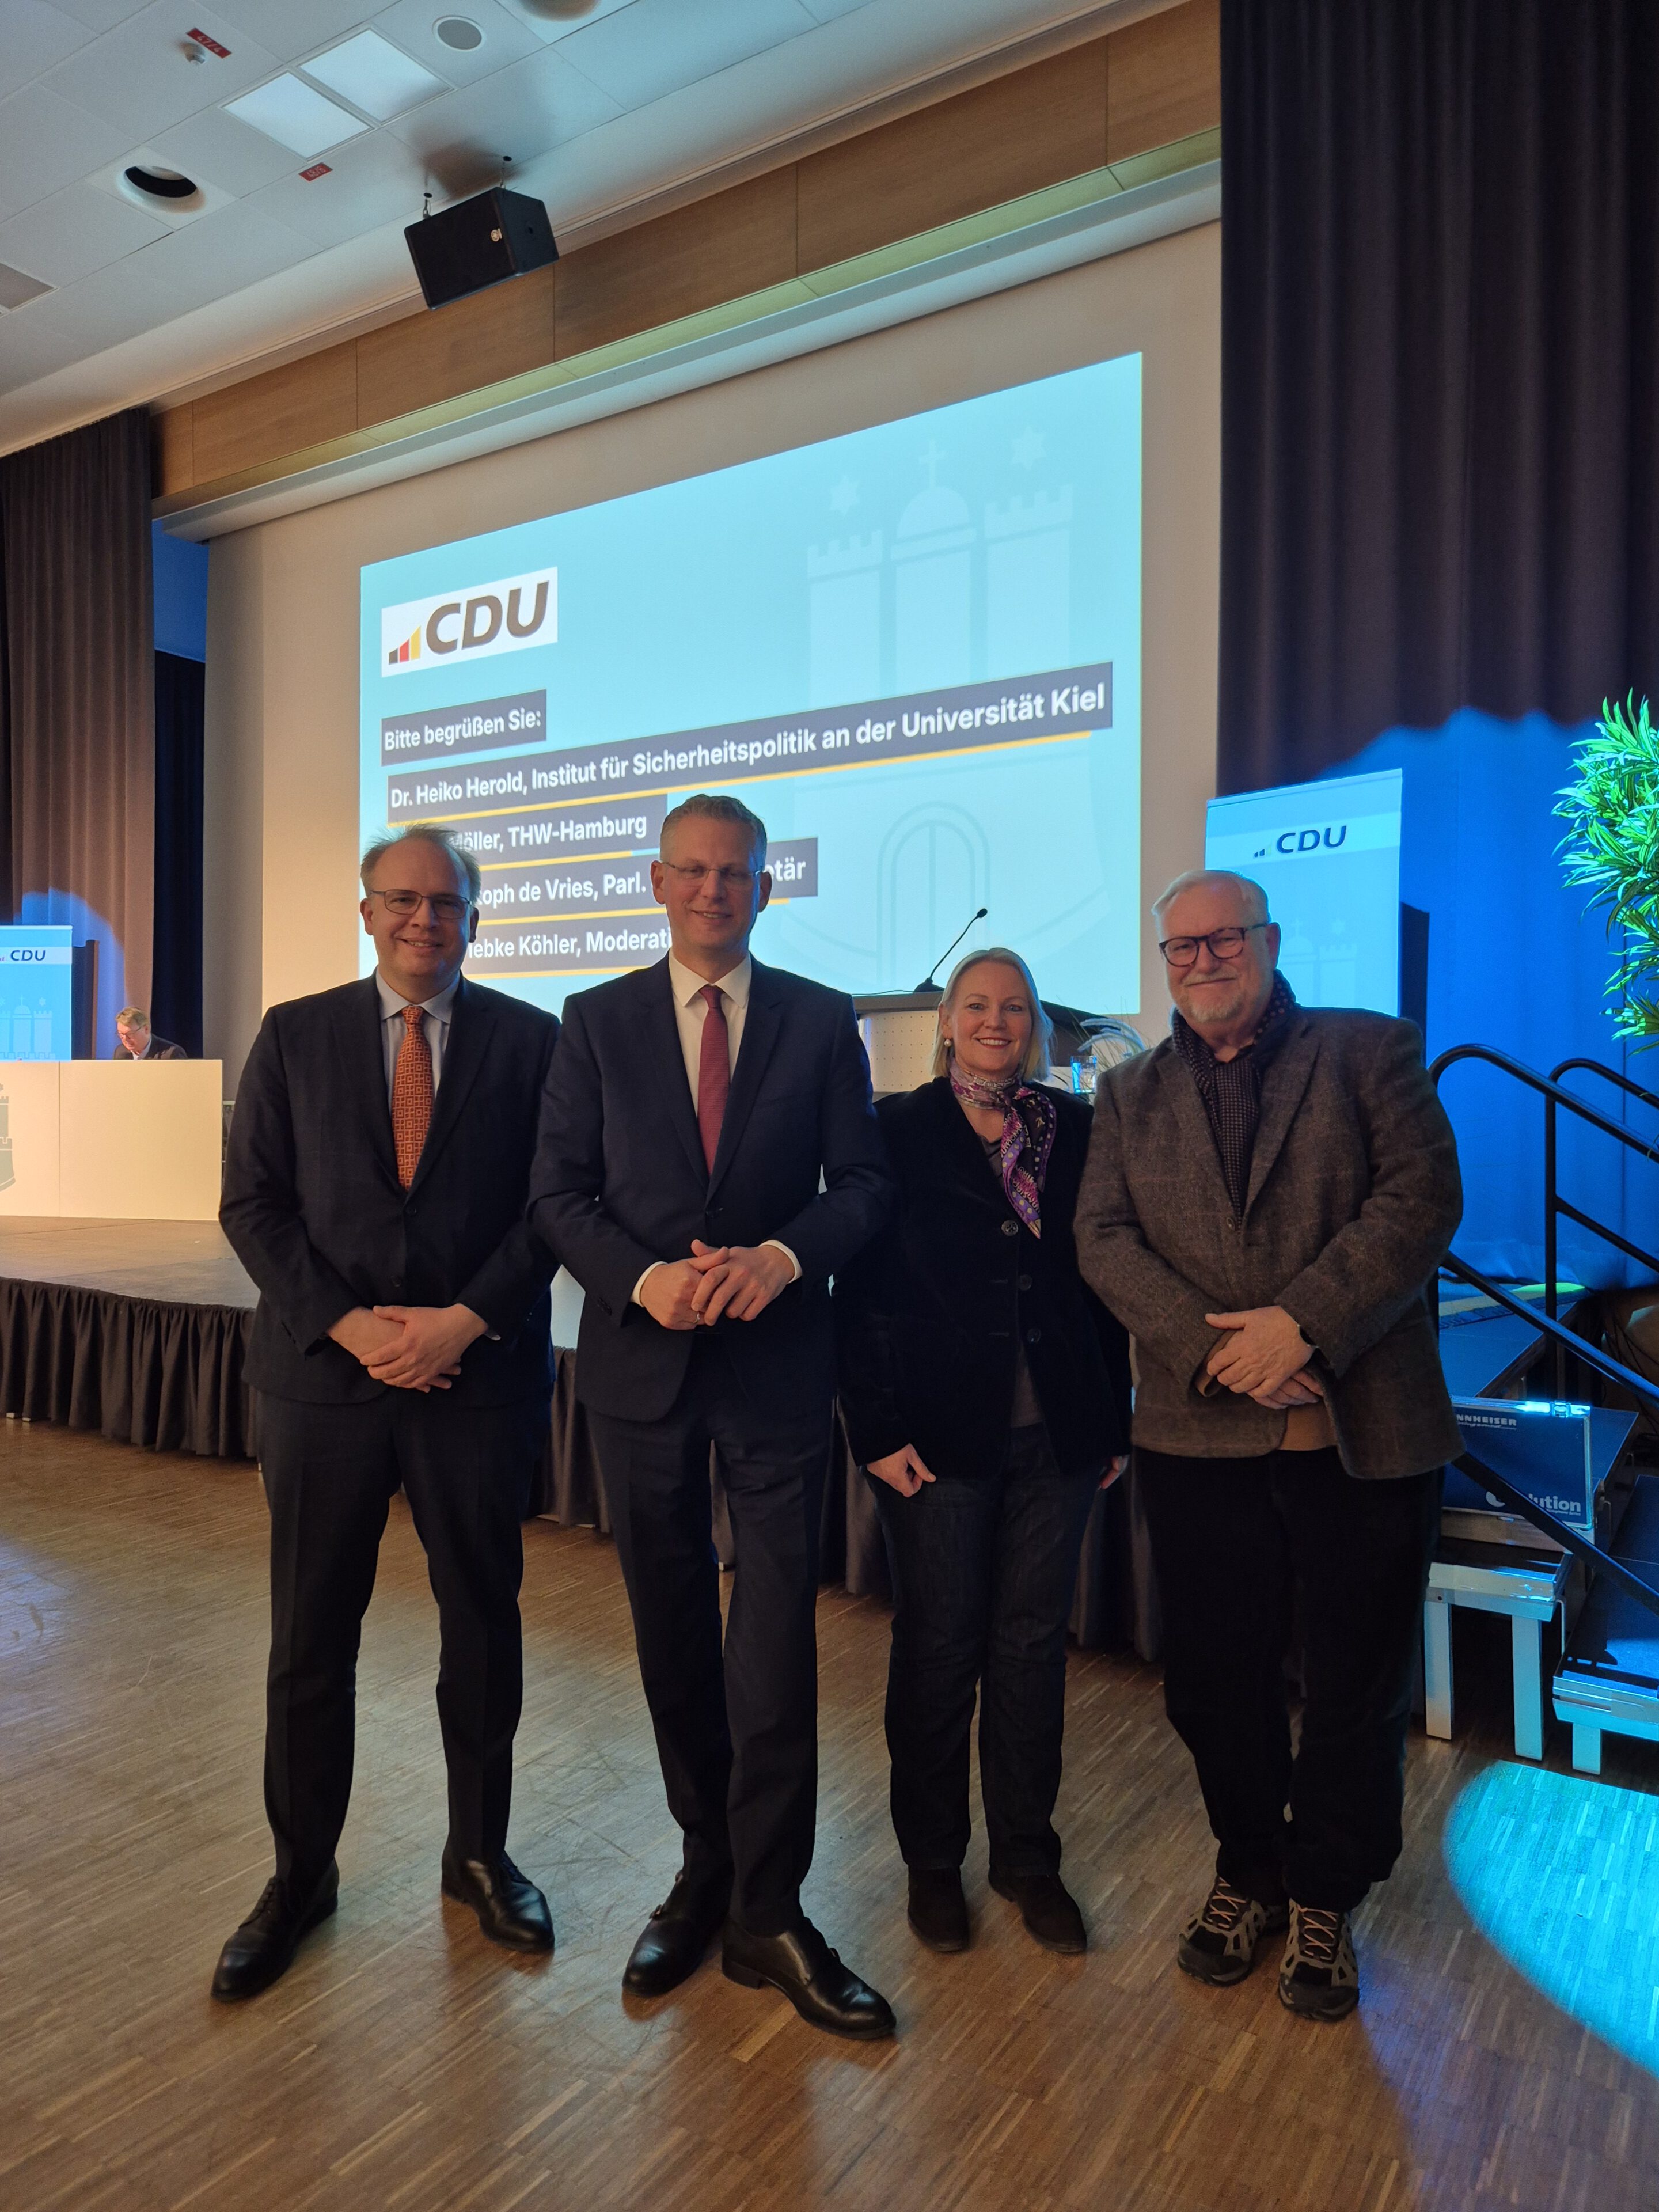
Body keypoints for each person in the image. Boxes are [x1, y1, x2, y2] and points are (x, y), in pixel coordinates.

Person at [530, 793, 897, 2039]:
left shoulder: (820, 1018)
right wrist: (644, 1279)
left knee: (776, 1643)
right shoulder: (593, 1021)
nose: (710, 890)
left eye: (733, 872)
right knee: (672, 1634)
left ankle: (770, 1908)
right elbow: (558, 1196)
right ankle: (705, 1869)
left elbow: (863, 1186)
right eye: (689, 870)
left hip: (777, 1371)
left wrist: (783, 1259)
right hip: (641, 1371)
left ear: (764, 887)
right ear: (656, 882)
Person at [1075, 869, 1462, 2023]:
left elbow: (1420, 1200)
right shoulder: (1127, 1094)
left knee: (1356, 1684)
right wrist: (1215, 1348)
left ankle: (1327, 1894)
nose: (1202, 961)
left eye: (1223, 939)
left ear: (1269, 939)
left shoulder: (1370, 1049)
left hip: (1362, 1431)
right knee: (1213, 1684)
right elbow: (1103, 1238)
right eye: (1180, 947)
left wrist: (1303, 1325)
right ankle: (1250, 1869)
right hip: (1198, 1437)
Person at [212, 822, 561, 2001]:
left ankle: (480, 1854)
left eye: (446, 902)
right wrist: (354, 1327)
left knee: (484, 1625)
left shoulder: (533, 1042)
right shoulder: (293, 1034)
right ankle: (300, 1874)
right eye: (402, 900)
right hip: (325, 1383)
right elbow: (253, 1205)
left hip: (478, 1379)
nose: (425, 919)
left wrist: (463, 1320)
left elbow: (554, 1206)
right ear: (367, 912)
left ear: (475, 919)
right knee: (309, 1640)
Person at [834, 950, 1131, 1958]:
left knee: (1030, 1649)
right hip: (935, 1442)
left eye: (1013, 1006)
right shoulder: (894, 1128)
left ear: (1035, 1023)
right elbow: (859, 1294)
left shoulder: (1074, 1128)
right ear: (947, 1022)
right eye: (976, 1005)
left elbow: (1102, 1281)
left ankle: (1026, 1859)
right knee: (937, 1649)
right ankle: (932, 1863)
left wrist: (1109, 1418)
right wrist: (876, 1430)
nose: (995, 1021)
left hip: (1059, 1437)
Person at [113, 1007, 185, 1058]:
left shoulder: (171, 1054)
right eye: (121, 1034)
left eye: (130, 1034)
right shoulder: (120, 1052)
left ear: (146, 1029)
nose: (125, 1039)